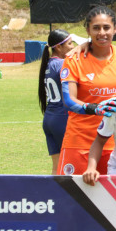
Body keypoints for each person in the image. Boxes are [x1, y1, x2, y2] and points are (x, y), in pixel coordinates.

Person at [59, 6, 116, 176]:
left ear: (115, 29)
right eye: (96, 28)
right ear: (87, 30)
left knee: (114, 200)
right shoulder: (74, 59)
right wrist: (96, 109)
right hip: (79, 142)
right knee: (72, 199)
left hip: (115, 144)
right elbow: (69, 101)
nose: (102, 33)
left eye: (106, 27)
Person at [38, 29, 79, 174]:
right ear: (58, 47)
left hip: (49, 118)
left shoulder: (49, 63)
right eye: (69, 43)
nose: (72, 46)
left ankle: (52, 196)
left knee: (56, 167)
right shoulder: (63, 64)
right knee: (70, 165)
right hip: (62, 118)